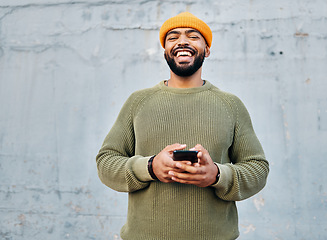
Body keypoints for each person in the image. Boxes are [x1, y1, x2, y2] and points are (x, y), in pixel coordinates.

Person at [96, 12, 269, 240]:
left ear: (207, 50)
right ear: (166, 51)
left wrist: (216, 174)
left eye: (193, 36)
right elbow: (106, 162)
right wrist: (150, 167)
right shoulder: (138, 102)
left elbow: (257, 168)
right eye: (173, 37)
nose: (182, 41)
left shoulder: (231, 105)